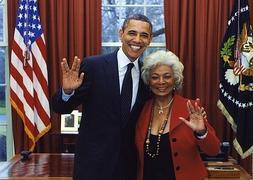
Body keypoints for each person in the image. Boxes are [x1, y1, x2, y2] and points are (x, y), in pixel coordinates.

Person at [52, 14, 153, 180]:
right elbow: (60, 108)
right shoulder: (94, 66)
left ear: (149, 40)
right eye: (132, 33)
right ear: (121, 33)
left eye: (144, 35)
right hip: (92, 167)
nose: (137, 40)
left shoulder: (147, 76)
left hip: (129, 169)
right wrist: (67, 92)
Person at [135, 50, 220, 180]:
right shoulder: (141, 109)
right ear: (148, 81)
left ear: (175, 79)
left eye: (167, 76)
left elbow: (213, 150)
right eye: (155, 77)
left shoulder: (190, 108)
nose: (161, 82)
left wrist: (201, 132)